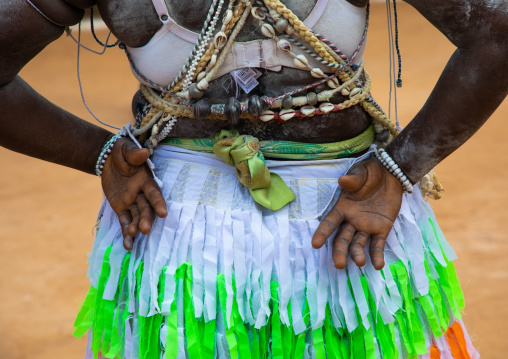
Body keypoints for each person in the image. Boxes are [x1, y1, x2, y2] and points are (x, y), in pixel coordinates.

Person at [1, 0, 507, 358]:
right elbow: (497, 32)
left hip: (181, 234)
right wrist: (398, 170)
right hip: (345, 221)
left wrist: (101, 153)